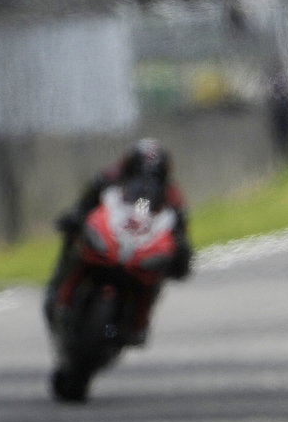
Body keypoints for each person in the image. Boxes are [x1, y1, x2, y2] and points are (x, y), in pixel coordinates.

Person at [44, 138, 193, 345]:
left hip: (139, 248)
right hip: (108, 239)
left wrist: (181, 254)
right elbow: (84, 205)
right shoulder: (107, 179)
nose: (146, 180)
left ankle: (139, 322)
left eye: (153, 175)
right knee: (75, 246)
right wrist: (75, 218)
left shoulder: (171, 197)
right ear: (129, 167)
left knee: (156, 271)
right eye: (140, 171)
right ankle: (61, 296)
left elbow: (180, 233)